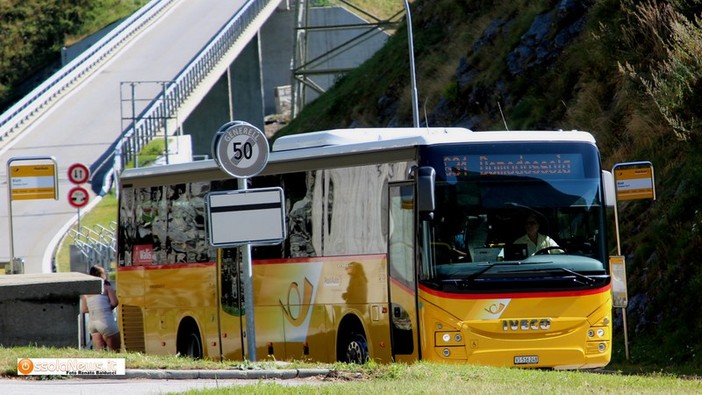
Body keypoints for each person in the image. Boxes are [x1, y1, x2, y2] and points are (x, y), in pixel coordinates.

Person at [82, 265, 121, 352]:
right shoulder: (106, 286)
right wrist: (106, 308)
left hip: (92, 323)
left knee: (100, 352)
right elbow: (115, 302)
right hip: (105, 320)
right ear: (102, 274)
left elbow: (84, 309)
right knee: (115, 351)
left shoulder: (86, 290)